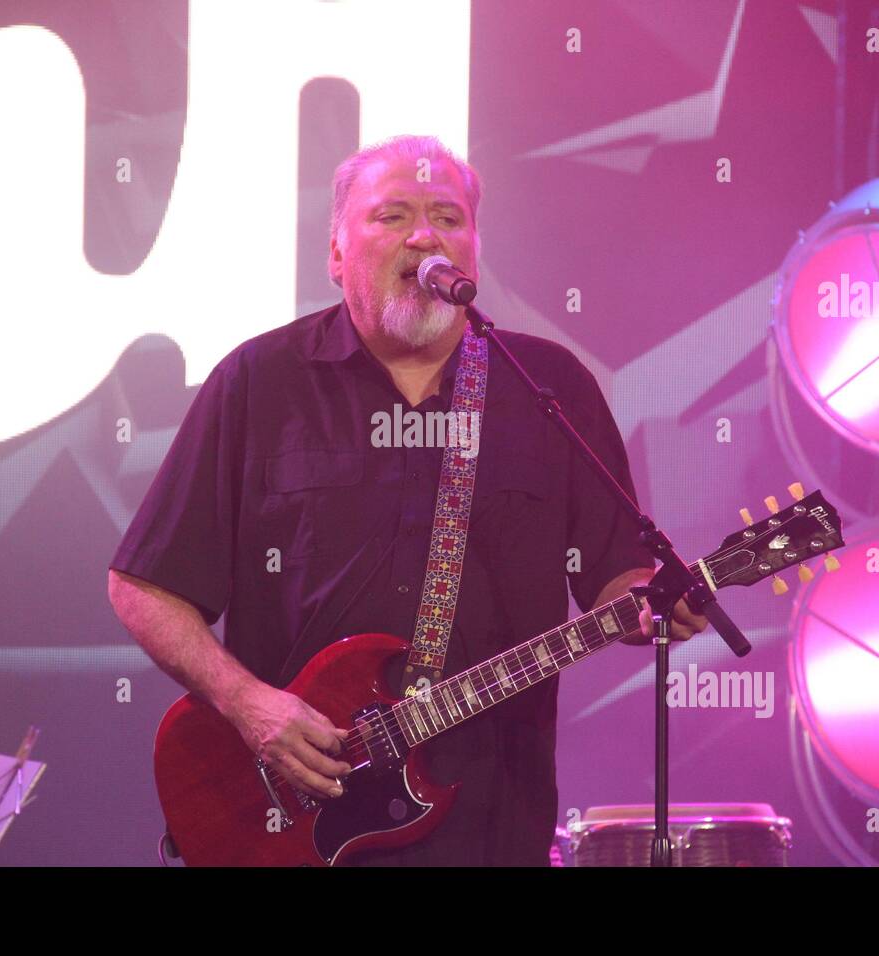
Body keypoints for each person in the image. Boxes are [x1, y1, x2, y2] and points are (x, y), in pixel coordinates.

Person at [107, 134, 708, 866]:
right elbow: (144, 584)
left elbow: (619, 575)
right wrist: (248, 704)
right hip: (290, 818)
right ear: (335, 253)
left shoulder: (548, 388)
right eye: (392, 216)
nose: (425, 235)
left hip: (492, 825)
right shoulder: (259, 384)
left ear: (473, 253)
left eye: (448, 218)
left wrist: (654, 601)